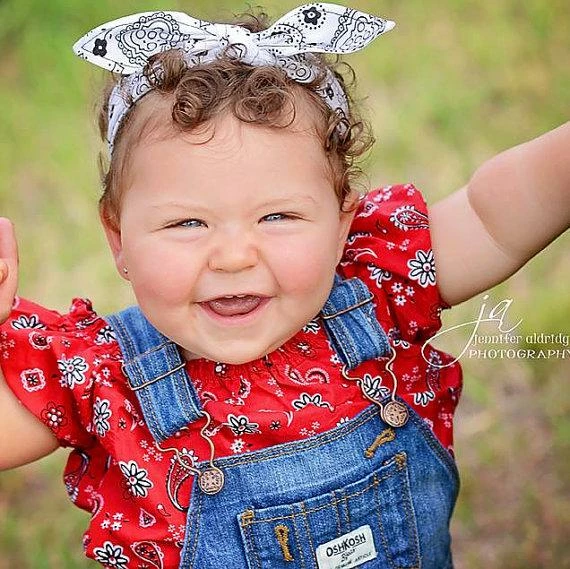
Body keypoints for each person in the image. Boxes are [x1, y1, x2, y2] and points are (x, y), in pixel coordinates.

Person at [0, 3, 568, 568]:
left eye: (277, 217)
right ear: (119, 238)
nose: (233, 257)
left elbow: (491, 216)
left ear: (342, 224)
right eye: (187, 223)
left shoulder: (380, 286)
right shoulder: (103, 380)